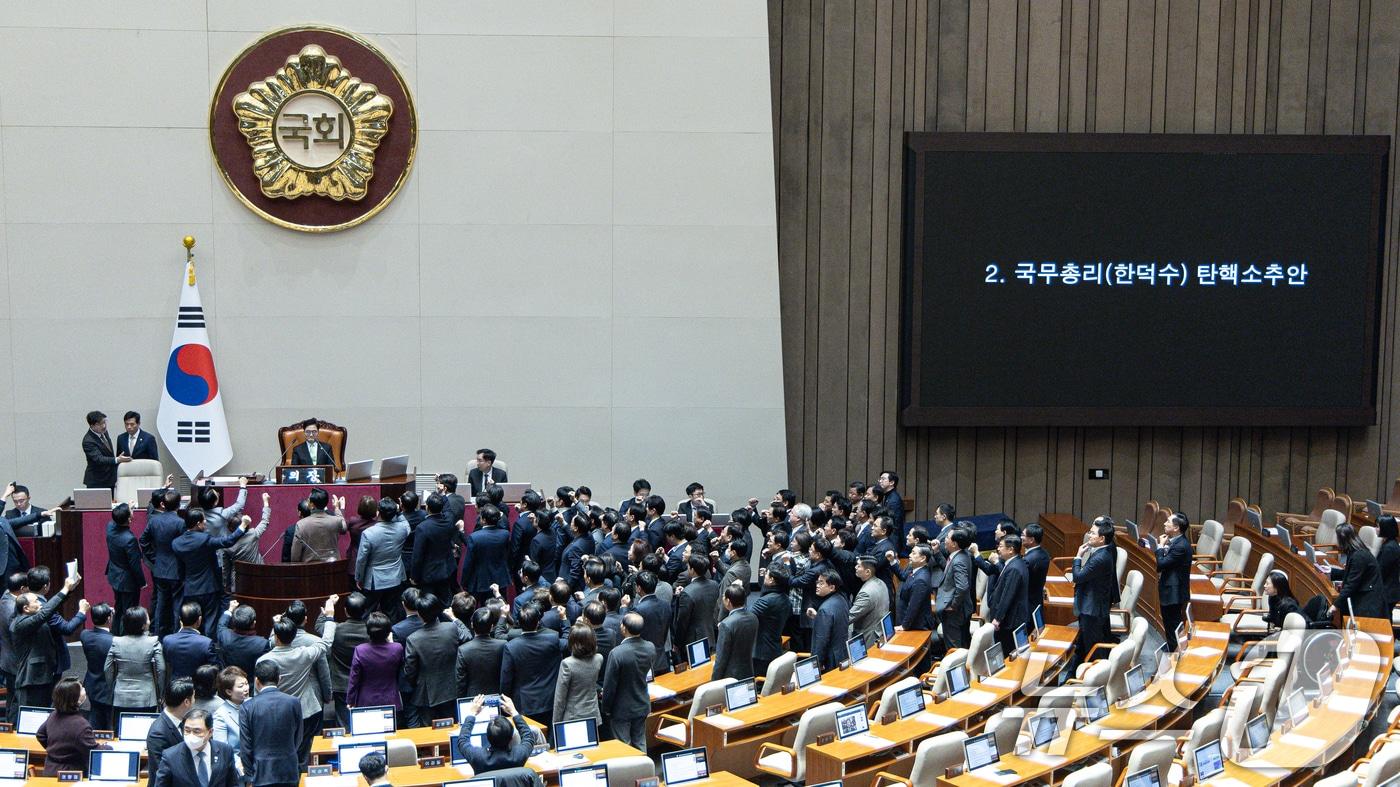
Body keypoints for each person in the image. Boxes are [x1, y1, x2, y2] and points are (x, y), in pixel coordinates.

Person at [257, 596, 337, 767]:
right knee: (305, 750)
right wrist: (329, 617)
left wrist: (276, 624)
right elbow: (326, 642)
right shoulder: (304, 654)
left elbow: (274, 639)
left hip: (277, 713)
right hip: (306, 709)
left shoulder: (264, 660)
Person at [10, 572, 82, 708]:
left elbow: (48, 610)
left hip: (43, 676)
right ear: (25, 608)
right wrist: (64, 589)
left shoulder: (30, 616)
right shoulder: (20, 624)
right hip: (31, 680)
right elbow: (44, 613)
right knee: (33, 717)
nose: (40, 603)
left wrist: (70, 589)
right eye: (36, 602)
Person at [173, 510, 246, 636]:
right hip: (209, 587)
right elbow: (227, 541)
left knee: (192, 621)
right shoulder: (204, 539)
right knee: (210, 622)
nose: (206, 522)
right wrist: (243, 526)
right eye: (203, 520)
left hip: (190, 588)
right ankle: (209, 646)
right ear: (198, 524)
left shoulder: (176, 543)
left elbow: (180, 569)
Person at [240, 659, 303, 787]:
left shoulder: (247, 707)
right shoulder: (294, 702)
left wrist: (249, 776)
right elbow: (298, 737)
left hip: (260, 773)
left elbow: (245, 746)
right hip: (289, 769)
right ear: (279, 679)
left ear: (257, 681)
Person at [403, 593, 463, 726]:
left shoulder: (413, 639)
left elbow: (409, 671)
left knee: (430, 732)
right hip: (452, 688)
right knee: (453, 729)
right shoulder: (452, 627)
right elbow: (467, 637)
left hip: (427, 694)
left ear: (419, 613)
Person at [501, 603, 562, 730]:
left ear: (518, 623)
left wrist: (505, 701)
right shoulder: (552, 639)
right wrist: (565, 621)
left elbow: (506, 679)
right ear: (538, 622)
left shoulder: (511, 647)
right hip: (549, 700)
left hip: (524, 704)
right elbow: (568, 640)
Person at [316, 591, 369, 730]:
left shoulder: (336, 630)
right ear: (365, 611)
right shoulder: (371, 631)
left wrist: (328, 609)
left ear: (345, 611)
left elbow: (319, 626)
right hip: (364, 682)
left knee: (343, 723)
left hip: (341, 683)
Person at [1071, 518, 1119, 671]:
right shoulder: (1100, 552)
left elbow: (1078, 576)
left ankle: (1096, 683)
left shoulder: (1101, 557)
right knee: (1083, 646)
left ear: (1101, 538)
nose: (1089, 535)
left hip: (1092, 610)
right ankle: (1070, 677)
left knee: (1093, 651)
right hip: (1091, 607)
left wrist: (1078, 556)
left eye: (1092, 533)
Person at [602, 612, 654, 751]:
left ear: (624, 628)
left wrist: (606, 708)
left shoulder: (617, 653)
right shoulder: (650, 647)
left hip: (621, 708)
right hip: (642, 702)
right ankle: (645, 771)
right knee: (640, 743)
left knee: (624, 748)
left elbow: (610, 686)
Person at [37, 677, 106, 775]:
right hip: (71, 774)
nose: (84, 689)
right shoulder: (81, 725)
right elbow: (93, 751)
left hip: (50, 770)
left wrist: (56, 750)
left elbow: (40, 735)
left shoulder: (54, 715)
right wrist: (108, 747)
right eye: (81, 688)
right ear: (75, 698)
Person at [140, 487, 185, 637]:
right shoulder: (180, 523)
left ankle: (157, 633)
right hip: (177, 569)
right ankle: (175, 634)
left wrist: (153, 557)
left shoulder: (154, 521)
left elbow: (143, 540)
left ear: (163, 504)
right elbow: (185, 545)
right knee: (176, 604)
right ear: (179, 505)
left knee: (161, 603)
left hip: (159, 568)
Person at [155, 708, 238, 787]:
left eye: (197, 731)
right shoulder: (170, 756)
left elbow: (232, 783)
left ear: (210, 732)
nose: (191, 735)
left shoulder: (225, 751)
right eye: (187, 730)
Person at [105, 606, 165, 718]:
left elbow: (107, 668)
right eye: (147, 619)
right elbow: (161, 669)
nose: (149, 621)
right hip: (146, 697)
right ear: (143, 625)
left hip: (121, 696)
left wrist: (112, 688)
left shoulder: (116, 642)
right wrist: (161, 693)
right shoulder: (153, 642)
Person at [454, 693, 535, 771]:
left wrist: (472, 713)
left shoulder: (478, 757)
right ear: (511, 738)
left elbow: (462, 741)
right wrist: (514, 712)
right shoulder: (519, 755)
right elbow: (528, 736)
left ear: (488, 738)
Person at [356, 498, 409, 616]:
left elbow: (361, 560)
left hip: (374, 580)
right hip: (395, 577)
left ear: (378, 512)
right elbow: (405, 523)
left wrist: (359, 577)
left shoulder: (368, 533)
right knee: (391, 612)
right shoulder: (403, 529)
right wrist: (398, 512)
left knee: (368, 611)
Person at [411, 493, 466, 603]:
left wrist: (414, 577)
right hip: (447, 570)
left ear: (427, 507)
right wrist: (443, 495)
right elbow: (449, 511)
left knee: (429, 604)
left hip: (429, 573)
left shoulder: (422, 528)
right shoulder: (449, 522)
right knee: (446, 602)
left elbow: (418, 555)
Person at [347, 611, 404, 712]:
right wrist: (391, 643)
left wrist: (351, 700)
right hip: (390, 699)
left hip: (366, 701)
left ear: (368, 632)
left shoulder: (360, 650)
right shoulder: (397, 648)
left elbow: (354, 678)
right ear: (388, 632)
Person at [1328, 524, 1386, 620]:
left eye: (1337, 537)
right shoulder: (1354, 552)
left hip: (1368, 604)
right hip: (1362, 596)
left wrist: (1335, 605)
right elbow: (1350, 573)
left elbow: (1351, 584)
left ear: (1343, 539)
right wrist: (1330, 572)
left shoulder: (1359, 556)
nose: (1335, 540)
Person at [553, 623, 603, 729]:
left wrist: (556, 723)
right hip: (593, 713)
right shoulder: (599, 659)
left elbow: (560, 699)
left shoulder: (567, 664)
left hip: (573, 717)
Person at [1154, 512, 1192, 651]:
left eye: (1168, 522)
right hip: (1171, 591)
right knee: (1170, 628)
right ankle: (1173, 654)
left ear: (1176, 528)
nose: (1164, 523)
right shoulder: (1176, 541)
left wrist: (1159, 547)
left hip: (1173, 594)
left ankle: (1177, 657)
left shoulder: (1181, 546)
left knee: (1174, 628)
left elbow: (1161, 565)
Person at [672, 554, 720, 661]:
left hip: (693, 641)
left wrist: (676, 644)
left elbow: (682, 622)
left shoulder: (688, 593)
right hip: (710, 633)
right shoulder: (714, 585)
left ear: (692, 570)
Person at [105, 505, 145, 633]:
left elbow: (116, 518)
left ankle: (115, 633)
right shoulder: (129, 539)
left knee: (119, 606)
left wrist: (127, 508)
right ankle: (125, 636)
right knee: (128, 612)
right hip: (128, 582)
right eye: (131, 511)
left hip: (115, 575)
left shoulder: (110, 528)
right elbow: (135, 565)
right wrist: (142, 582)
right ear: (129, 519)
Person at [146, 677, 193, 786]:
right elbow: (161, 772)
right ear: (186, 702)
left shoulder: (183, 720)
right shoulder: (158, 733)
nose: (195, 701)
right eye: (194, 697)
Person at [987, 535, 1029, 656]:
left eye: (1000, 546)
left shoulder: (1014, 568)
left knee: (1006, 654)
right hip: (1011, 618)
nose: (998, 549)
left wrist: (997, 619)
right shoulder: (1016, 563)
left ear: (1010, 550)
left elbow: (1007, 596)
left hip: (1009, 621)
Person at [462, 503, 511, 605]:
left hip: (480, 580)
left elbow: (468, 563)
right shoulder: (505, 534)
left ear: (483, 520)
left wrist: (464, 582)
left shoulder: (475, 537)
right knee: (500, 606)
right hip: (500, 579)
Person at [749, 564, 791, 678]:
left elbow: (747, 618)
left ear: (772, 580)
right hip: (774, 647)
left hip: (760, 652)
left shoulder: (765, 602)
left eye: (766, 574)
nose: (765, 577)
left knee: (758, 684)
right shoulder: (786, 599)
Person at [936, 528, 974, 650]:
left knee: (954, 648)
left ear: (954, 543)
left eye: (947, 538)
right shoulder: (963, 555)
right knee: (962, 644)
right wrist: (936, 552)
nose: (944, 540)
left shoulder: (958, 561)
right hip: (961, 610)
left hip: (955, 612)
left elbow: (962, 587)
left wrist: (953, 605)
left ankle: (955, 669)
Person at [164, 602, 219, 684]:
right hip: (198, 688)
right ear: (199, 620)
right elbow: (215, 669)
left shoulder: (167, 640)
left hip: (175, 687)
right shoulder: (206, 643)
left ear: (180, 619)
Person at [712, 584, 758, 681]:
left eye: (724, 597)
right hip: (749, 672)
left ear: (728, 601)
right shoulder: (753, 618)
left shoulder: (726, 625)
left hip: (730, 677)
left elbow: (721, 660)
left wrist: (714, 681)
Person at [456, 608, 505, 698]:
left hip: (473, 698)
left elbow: (460, 681)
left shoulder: (463, 650)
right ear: (492, 627)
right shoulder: (503, 645)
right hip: (499, 696)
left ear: (472, 625)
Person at [80, 603, 115, 730]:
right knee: (110, 723)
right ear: (109, 619)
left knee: (95, 718)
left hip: (91, 683)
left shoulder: (84, 635)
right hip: (108, 687)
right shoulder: (114, 641)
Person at [631, 571, 671, 675]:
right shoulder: (666, 605)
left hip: (644, 663)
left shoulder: (638, 610)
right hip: (662, 660)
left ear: (638, 588)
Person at [808, 570, 850, 671]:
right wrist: (819, 618)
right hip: (842, 654)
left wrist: (817, 664)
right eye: (817, 582)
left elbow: (821, 641)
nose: (817, 585)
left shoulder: (825, 609)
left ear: (832, 587)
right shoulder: (842, 600)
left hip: (830, 661)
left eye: (821, 583)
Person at [290, 488, 346, 563]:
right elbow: (344, 528)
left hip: (310, 570)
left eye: (308, 500)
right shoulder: (336, 521)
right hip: (333, 569)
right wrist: (337, 508)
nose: (307, 501)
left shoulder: (301, 524)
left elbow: (295, 557)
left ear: (312, 505)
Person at [214, 601, 268, 677]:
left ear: (233, 622)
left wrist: (230, 610)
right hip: (250, 682)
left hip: (229, 679)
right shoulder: (262, 644)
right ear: (253, 624)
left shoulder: (224, 636)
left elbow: (221, 625)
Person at [83, 410, 130, 489]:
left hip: (109, 478)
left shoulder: (104, 432)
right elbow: (99, 459)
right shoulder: (88, 441)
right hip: (97, 481)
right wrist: (117, 459)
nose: (104, 426)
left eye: (104, 422)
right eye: (100, 424)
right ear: (92, 425)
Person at [848, 556, 890, 644]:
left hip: (868, 637)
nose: (855, 567)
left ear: (867, 572)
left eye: (859, 566)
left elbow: (850, 617)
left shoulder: (866, 593)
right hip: (879, 631)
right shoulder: (881, 583)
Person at [210, 666, 248, 755]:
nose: (246, 688)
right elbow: (222, 748)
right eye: (241, 686)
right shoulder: (220, 714)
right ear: (229, 692)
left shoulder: (253, 703)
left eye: (246, 683)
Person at [1022, 523, 1050, 614]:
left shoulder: (1028, 559)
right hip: (1037, 599)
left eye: (1023, 535)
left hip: (1027, 603)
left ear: (1031, 540)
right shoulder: (1044, 553)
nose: (1021, 537)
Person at [1379, 515, 1400, 612]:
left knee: (1385, 621)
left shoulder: (1390, 548)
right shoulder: (1389, 543)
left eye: (1378, 526)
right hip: (1387, 589)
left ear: (1385, 528)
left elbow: (1381, 570)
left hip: (1388, 592)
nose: (1376, 529)